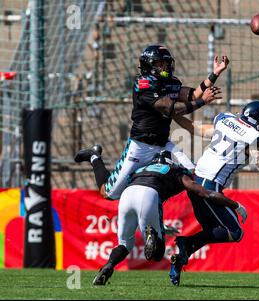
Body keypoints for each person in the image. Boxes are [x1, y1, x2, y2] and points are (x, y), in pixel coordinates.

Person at [168, 101, 259, 285]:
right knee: (235, 231)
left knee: (212, 231)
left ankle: (182, 255)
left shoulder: (226, 120)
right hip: (209, 185)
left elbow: (196, 129)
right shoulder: (252, 137)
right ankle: (185, 243)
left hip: (196, 181)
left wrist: (172, 114)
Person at [74, 44, 229, 200]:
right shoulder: (143, 84)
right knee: (109, 193)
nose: (165, 67)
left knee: (192, 174)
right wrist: (202, 102)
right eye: (160, 64)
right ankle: (94, 156)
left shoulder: (171, 82)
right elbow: (171, 109)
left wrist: (215, 73)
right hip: (140, 146)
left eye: (166, 63)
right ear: (149, 65)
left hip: (163, 144)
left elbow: (193, 95)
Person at [92, 150, 247, 286]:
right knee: (158, 254)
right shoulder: (177, 170)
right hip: (149, 195)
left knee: (125, 243)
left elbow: (131, 195)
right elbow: (204, 193)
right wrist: (235, 205)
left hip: (127, 195)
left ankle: (109, 265)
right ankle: (152, 234)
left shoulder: (140, 169)